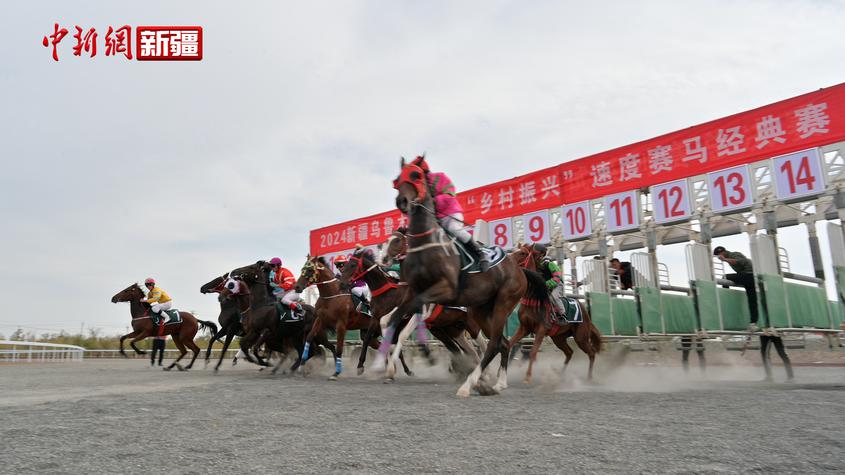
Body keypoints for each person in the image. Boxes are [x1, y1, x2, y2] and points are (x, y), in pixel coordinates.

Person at [408, 155, 490, 272]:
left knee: (454, 229)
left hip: (451, 214)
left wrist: (434, 201)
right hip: (435, 220)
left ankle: (481, 253)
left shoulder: (440, 177)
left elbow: (450, 195)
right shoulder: (416, 189)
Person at [713, 246, 758, 331]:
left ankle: (727, 296)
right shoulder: (730, 256)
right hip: (749, 278)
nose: (719, 258)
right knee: (752, 301)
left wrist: (725, 259)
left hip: (748, 276)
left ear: (722, 253)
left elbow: (738, 262)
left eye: (719, 256)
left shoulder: (734, 254)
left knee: (724, 277)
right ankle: (753, 323)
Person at [532, 244, 568, 326]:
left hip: (557, 285)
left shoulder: (549, 263)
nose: (534, 256)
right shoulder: (536, 266)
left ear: (541, 254)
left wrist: (546, 284)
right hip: (546, 286)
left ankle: (563, 315)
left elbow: (558, 277)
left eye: (535, 254)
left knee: (553, 297)